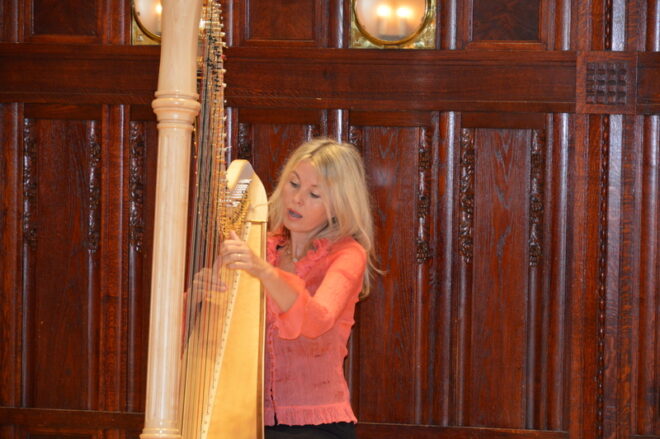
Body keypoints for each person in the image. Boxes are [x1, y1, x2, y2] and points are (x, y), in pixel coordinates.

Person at [220, 138, 378, 439]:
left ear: (339, 206)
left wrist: (264, 272)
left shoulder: (347, 254)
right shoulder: (261, 247)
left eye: (314, 194)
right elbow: (213, 327)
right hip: (249, 418)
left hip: (317, 426)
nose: (297, 199)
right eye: (293, 184)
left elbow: (317, 319)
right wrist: (201, 296)